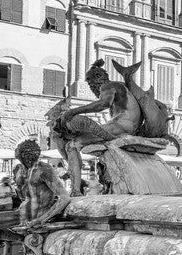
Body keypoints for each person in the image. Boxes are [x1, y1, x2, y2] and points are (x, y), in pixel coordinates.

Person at [50, 60, 142, 195]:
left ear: (98, 78)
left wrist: (74, 111)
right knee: (72, 141)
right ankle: (76, 181)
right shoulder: (121, 86)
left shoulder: (108, 86)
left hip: (122, 125)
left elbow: (102, 104)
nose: (91, 86)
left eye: (90, 82)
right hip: (128, 125)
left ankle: (76, 190)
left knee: (72, 145)